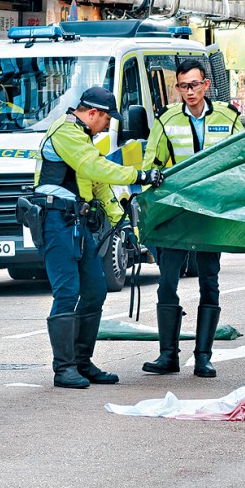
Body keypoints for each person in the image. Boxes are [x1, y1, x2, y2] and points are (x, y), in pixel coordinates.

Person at [34, 86, 163, 389]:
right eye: (106, 120)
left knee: (94, 290)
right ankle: (63, 368)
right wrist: (139, 175)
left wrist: (124, 226)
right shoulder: (65, 132)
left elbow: (98, 183)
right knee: (67, 292)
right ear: (92, 113)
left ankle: (82, 362)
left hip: (77, 224)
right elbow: (94, 167)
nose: (107, 126)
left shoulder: (84, 138)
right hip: (55, 221)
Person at [141, 58, 244, 378]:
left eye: (195, 85)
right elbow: (150, 162)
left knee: (209, 281)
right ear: (177, 88)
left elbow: (244, 157)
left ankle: (203, 357)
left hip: (210, 214)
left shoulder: (228, 118)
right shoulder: (166, 120)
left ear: (206, 85)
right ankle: (168, 356)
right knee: (167, 282)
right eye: (183, 86)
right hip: (175, 214)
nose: (189, 91)